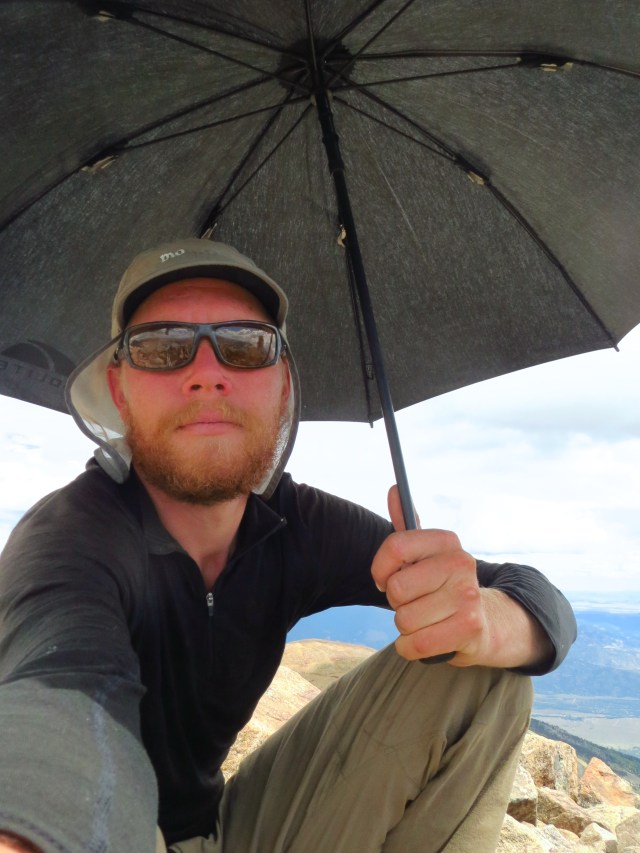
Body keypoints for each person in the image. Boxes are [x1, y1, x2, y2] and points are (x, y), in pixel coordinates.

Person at [0, 239, 577, 853]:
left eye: (245, 345)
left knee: (481, 671)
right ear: (119, 390)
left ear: (282, 385)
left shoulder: (292, 523)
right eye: (162, 347)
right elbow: (59, 703)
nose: (206, 373)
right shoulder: (69, 542)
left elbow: (534, 599)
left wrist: (487, 619)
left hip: (229, 830)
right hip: (110, 836)